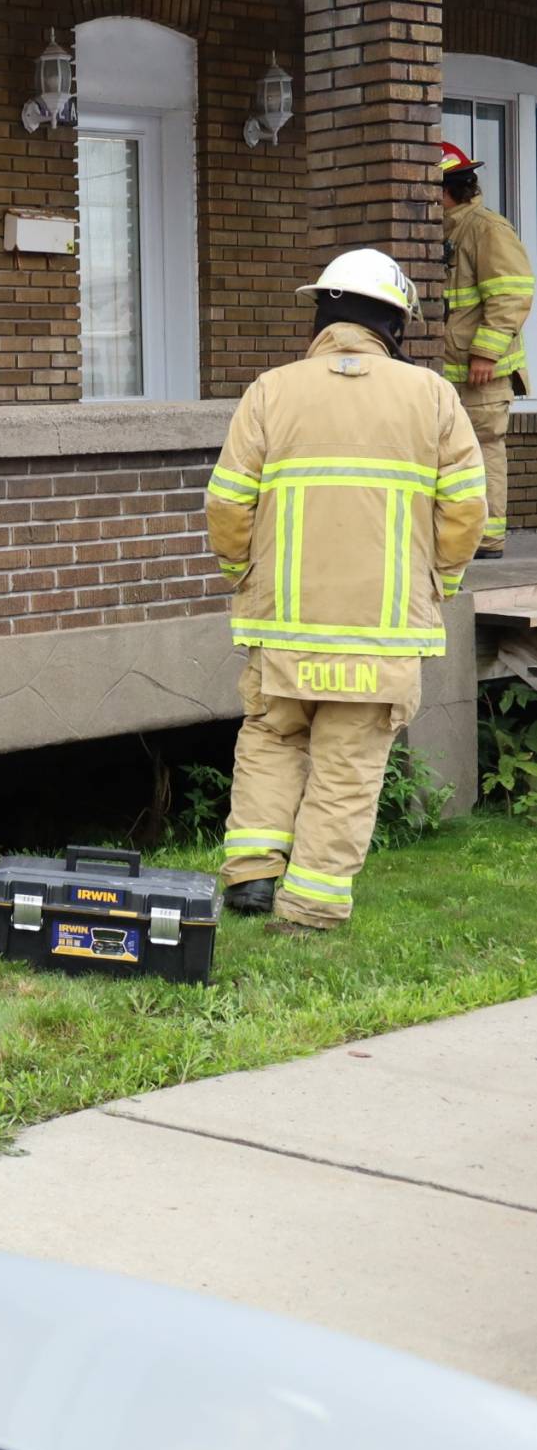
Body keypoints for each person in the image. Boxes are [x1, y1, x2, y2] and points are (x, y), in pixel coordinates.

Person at [207, 249, 485, 931]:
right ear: (394, 321)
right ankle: (308, 910)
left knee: (272, 738)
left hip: (282, 625)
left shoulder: (270, 390)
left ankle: (250, 875)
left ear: (322, 313)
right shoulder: (432, 398)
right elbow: (466, 509)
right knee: (346, 763)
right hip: (380, 630)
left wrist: (240, 575)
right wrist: (440, 581)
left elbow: (225, 504)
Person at [440, 141, 529, 557]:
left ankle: (488, 537)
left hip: (480, 372)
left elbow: (511, 293)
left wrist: (485, 353)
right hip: (453, 369)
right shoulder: (452, 229)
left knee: (483, 445)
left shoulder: (486, 228)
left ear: (446, 189)